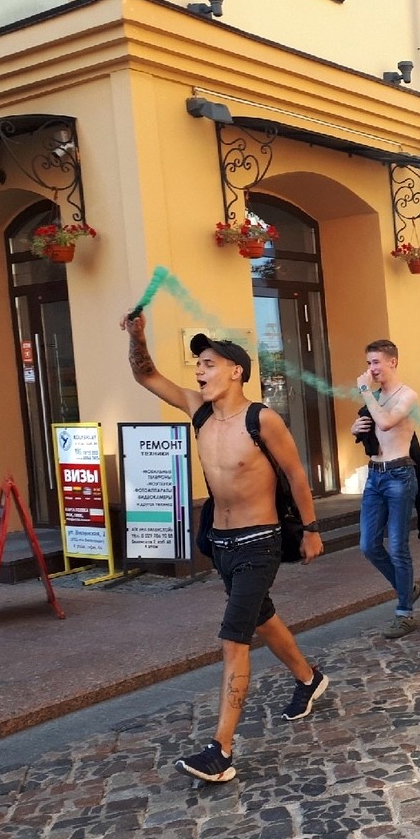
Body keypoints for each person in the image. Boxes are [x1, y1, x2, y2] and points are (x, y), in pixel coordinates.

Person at [121, 317, 325, 784]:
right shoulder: (199, 411)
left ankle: (222, 750)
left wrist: (311, 529)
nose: (199, 371)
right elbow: (145, 374)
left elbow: (295, 475)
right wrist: (136, 337)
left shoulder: (262, 419)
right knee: (260, 616)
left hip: (259, 540)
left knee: (235, 638)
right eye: (197, 363)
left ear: (235, 371)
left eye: (208, 363)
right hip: (221, 541)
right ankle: (309, 678)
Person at [350, 339, 420, 637]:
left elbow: (388, 422)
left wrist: (365, 391)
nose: (371, 369)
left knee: (397, 546)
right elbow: (372, 426)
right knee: (368, 545)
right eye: (368, 363)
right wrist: (355, 429)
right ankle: (407, 588)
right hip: (375, 476)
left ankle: (404, 612)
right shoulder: (375, 397)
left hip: (399, 475)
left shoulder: (408, 396)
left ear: (393, 361)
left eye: (376, 362)